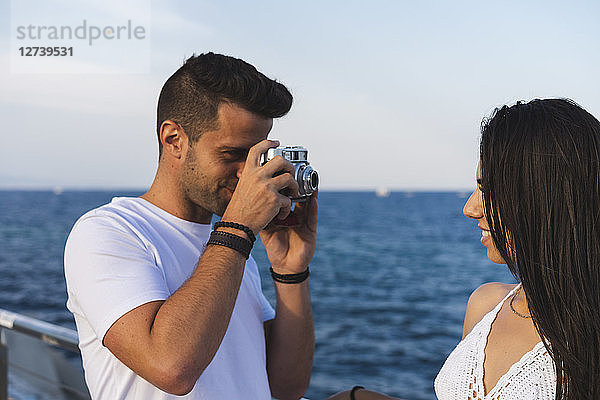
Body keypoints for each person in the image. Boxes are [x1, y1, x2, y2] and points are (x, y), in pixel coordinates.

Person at [64, 52, 317, 400]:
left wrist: (290, 271)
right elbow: (171, 368)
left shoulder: (229, 249)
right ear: (174, 140)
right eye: (232, 155)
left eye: (255, 158)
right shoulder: (108, 233)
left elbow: (286, 387)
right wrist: (238, 227)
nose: (249, 175)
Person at [326, 98, 600, 400]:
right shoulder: (485, 305)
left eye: (487, 189)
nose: (470, 208)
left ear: (544, 197)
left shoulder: (589, 335)